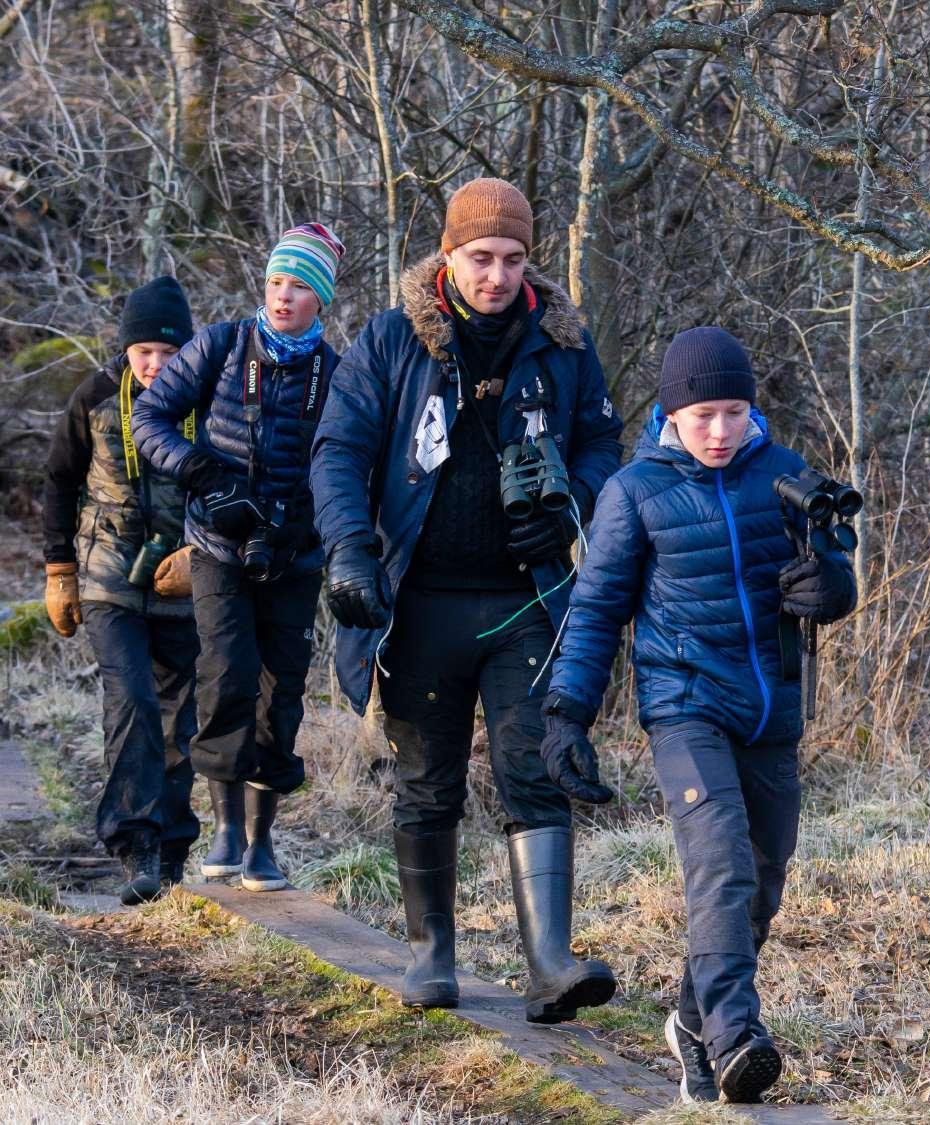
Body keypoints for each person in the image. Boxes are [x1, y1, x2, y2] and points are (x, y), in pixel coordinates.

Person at [309, 177, 624, 1023]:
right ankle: (431, 954)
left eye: (513, 259)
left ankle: (551, 963)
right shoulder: (390, 341)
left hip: (524, 597)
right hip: (419, 600)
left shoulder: (563, 343)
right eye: (480, 258)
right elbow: (338, 452)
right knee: (427, 778)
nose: (497, 276)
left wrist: (569, 502)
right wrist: (348, 549)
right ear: (447, 255)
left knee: (535, 766)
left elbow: (602, 442)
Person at [540, 326, 856, 1101]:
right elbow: (595, 610)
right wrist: (568, 713)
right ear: (672, 413)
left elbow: (837, 573)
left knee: (764, 881)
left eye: (735, 412)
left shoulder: (784, 475)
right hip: (684, 706)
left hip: (772, 711)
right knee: (720, 865)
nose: (720, 431)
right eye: (703, 414)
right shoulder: (635, 491)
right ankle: (737, 1035)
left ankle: (690, 1021)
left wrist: (833, 590)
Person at [131, 223, 345, 891]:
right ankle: (223, 827)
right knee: (226, 676)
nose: (284, 296)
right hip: (217, 546)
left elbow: (348, 464)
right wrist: (203, 474)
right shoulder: (222, 344)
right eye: (277, 281)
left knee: (281, 695)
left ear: (322, 300)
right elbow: (150, 419)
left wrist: (306, 524)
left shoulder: (335, 373)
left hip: (294, 556)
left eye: (301, 286)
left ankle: (261, 840)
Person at [43, 275, 200, 905]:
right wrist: (59, 573)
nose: (157, 365)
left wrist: (203, 552)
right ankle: (133, 842)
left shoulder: (209, 397)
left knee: (179, 719)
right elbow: (58, 483)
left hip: (183, 582)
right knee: (132, 700)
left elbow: (232, 479)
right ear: (126, 349)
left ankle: (174, 846)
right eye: (145, 353)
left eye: (169, 353)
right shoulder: (94, 397)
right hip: (109, 577)